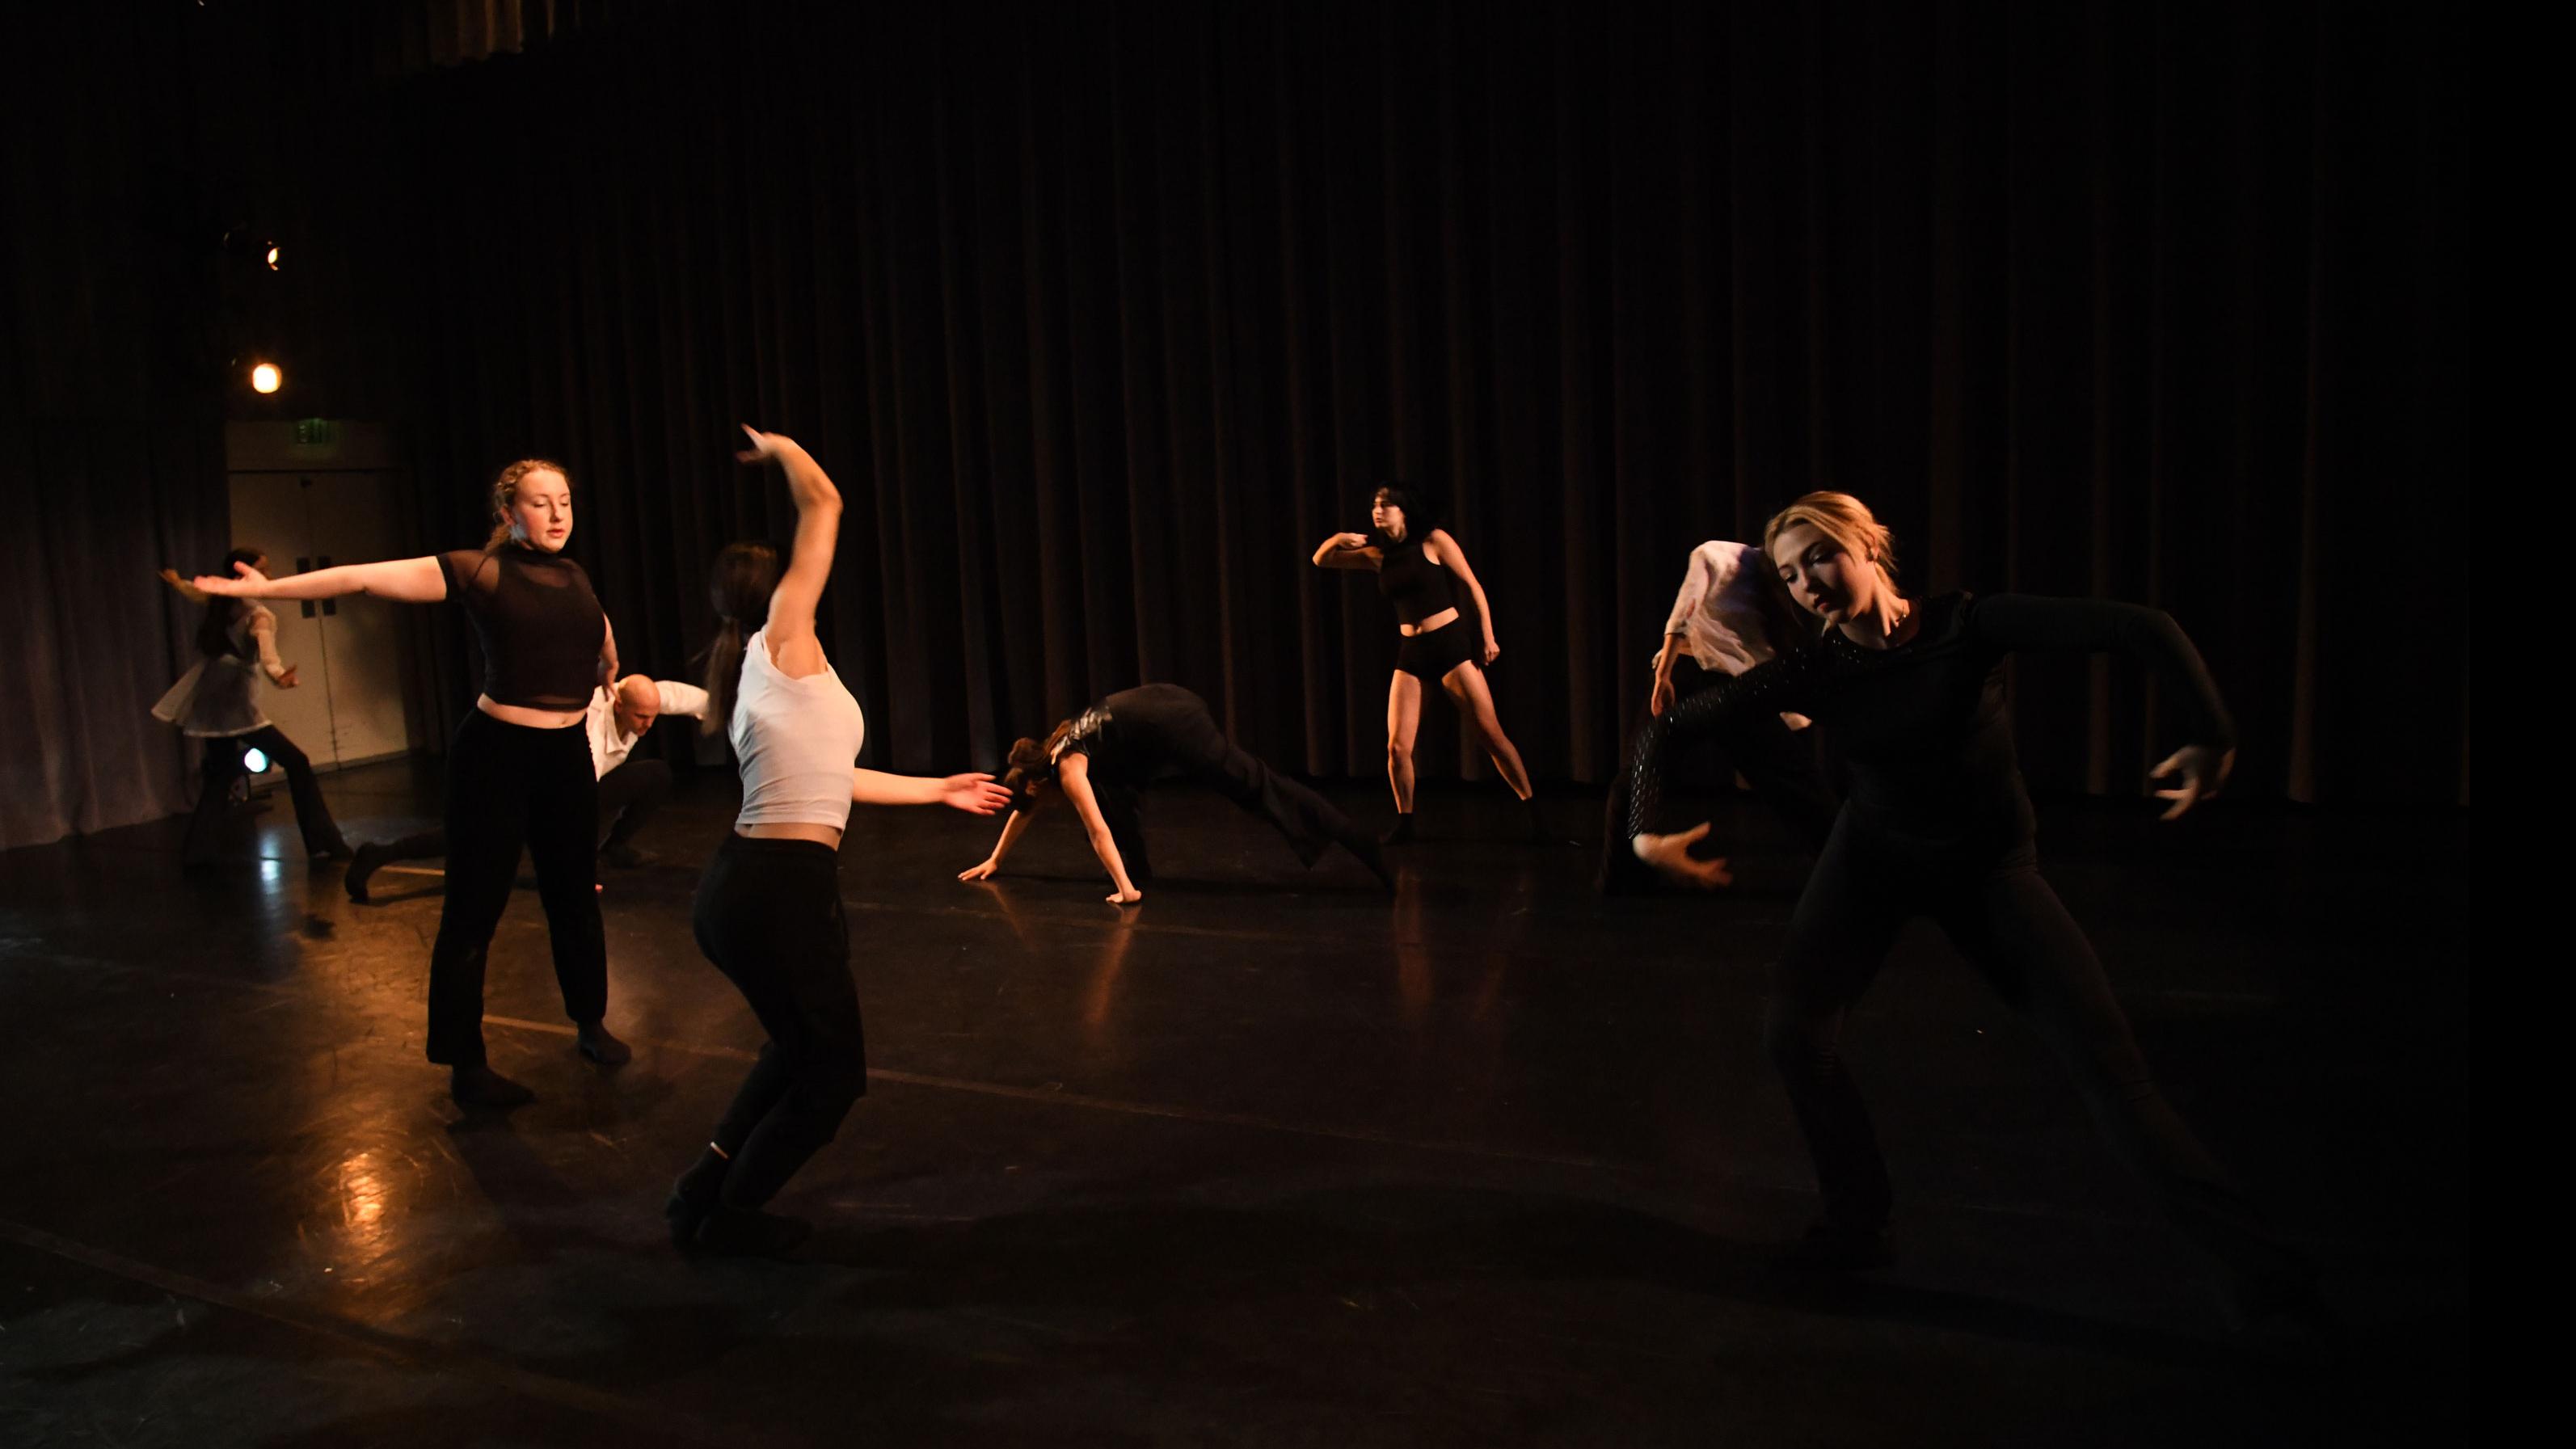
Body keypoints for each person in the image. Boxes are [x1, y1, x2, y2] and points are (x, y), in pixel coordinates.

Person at [1623, 491, 2317, 1323]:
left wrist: (2213, 731)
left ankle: (2267, 1284)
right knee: (1793, 1032)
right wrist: (1641, 835)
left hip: (1986, 870)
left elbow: (2140, 625)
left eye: (1817, 555)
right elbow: (1671, 727)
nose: (1805, 580)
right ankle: (1857, 1220)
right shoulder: (1815, 667)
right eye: (1786, 572)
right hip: (1871, 859)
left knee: (2112, 1077)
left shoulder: (1966, 626)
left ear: (1866, 545)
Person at [665, 428, 1012, 1257]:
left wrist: (939, 787)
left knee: (794, 1051)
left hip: (745, 887)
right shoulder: (784, 638)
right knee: (833, 1073)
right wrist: (784, 450)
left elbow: (831, 776)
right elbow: (824, 502)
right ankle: (737, 1214)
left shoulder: (755, 669)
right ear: (776, 587)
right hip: (777, 892)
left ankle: (701, 1192)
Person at [196, 459, 626, 1108]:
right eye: (541, 503)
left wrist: (609, 655)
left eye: (565, 500)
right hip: (496, 757)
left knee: (574, 896)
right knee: (473, 910)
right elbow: (365, 578)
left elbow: (588, 617)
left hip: (565, 755)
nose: (559, 514)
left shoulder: (573, 572)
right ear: (509, 513)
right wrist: (267, 588)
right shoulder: (479, 570)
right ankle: (465, 1064)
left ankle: (590, 1020)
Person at [960, 684, 1393, 903]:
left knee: (1255, 786)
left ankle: (1360, 842)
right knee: (1115, 785)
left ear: (1037, 785)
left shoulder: (1069, 767)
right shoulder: (1048, 752)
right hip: (1158, 712)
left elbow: (1096, 833)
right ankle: (1139, 866)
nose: (1041, 809)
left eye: (1037, 801)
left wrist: (1126, 892)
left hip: (1174, 721)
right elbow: (1026, 810)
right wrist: (997, 859)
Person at [1596, 539, 1839, 894]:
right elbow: (1684, 610)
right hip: (1689, 670)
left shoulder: (1787, 582)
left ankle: (1845, 866)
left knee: (1790, 776)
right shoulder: (1718, 555)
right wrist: (1664, 673)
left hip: (1737, 683)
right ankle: (1623, 876)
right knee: (1640, 770)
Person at [342, 672, 706, 902]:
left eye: (653, 716)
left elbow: (684, 697)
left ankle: (616, 848)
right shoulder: (589, 726)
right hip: (531, 790)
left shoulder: (642, 699)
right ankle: (379, 853)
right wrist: (578, 876)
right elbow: (575, 806)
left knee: (656, 774)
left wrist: (734, 709)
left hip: (568, 788)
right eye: (641, 717)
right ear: (619, 704)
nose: (648, 724)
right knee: (468, 838)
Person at [1312, 486, 1546, 843]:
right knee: (1397, 747)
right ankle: (1406, 823)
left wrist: (1488, 636)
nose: (1379, 510)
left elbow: (1473, 585)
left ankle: (1535, 816)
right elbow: (1321, 559)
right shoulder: (1378, 556)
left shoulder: (1434, 541)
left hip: (1451, 646)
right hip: (1413, 652)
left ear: (1404, 511)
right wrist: (1340, 537)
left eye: (1387, 504)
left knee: (1491, 735)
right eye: (1375, 505)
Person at [152, 551, 351, 863]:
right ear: (241, 577)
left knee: (221, 774)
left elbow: (198, 592)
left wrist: (179, 583)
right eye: (262, 570)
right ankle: (323, 841)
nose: (268, 575)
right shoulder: (259, 615)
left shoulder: (222, 604)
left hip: (212, 694)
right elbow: (268, 656)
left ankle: (197, 853)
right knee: (297, 763)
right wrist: (279, 676)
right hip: (234, 699)